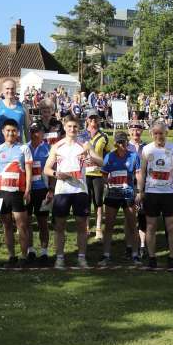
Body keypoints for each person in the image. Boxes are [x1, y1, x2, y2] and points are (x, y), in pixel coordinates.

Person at [44, 115, 103, 269]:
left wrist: (90, 155)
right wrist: (57, 174)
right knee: (60, 226)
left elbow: (101, 162)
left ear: (79, 128)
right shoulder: (57, 146)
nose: (72, 129)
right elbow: (47, 169)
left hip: (80, 190)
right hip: (62, 190)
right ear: (64, 127)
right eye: (69, 126)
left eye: (75, 127)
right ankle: (60, 258)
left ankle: (82, 258)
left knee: (82, 225)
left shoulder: (84, 144)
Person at [138, 120, 173, 270]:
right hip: (151, 193)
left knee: (171, 227)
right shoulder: (146, 149)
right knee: (151, 226)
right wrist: (141, 191)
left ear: (167, 133)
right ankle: (152, 258)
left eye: (161, 133)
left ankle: (172, 258)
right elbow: (143, 172)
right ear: (151, 134)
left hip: (170, 193)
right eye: (156, 133)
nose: (159, 136)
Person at [0, 118, 33, 267]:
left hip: (18, 193)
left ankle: (24, 256)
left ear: (18, 132)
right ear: (3, 132)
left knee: (22, 225)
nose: (11, 133)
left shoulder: (24, 149)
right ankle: (11, 256)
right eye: (8, 130)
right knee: (7, 225)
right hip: (1, 192)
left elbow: (28, 170)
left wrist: (27, 190)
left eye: (13, 130)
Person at [99, 132, 142, 266]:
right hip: (113, 194)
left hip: (128, 193)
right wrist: (108, 182)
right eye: (119, 142)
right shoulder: (109, 157)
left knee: (132, 225)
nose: (122, 144)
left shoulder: (134, 156)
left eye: (123, 142)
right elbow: (104, 175)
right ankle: (106, 255)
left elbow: (138, 175)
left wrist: (139, 191)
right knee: (109, 226)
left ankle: (135, 255)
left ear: (127, 142)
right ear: (115, 143)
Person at [79, 109, 109, 240]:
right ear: (87, 120)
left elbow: (107, 156)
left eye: (95, 118)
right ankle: (86, 227)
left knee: (98, 202)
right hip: (84, 173)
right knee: (85, 201)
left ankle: (98, 228)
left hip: (98, 174)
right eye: (91, 118)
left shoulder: (104, 136)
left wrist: (106, 172)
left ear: (99, 119)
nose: (93, 121)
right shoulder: (80, 135)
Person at [26, 123, 53, 264]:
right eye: (32, 131)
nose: (35, 134)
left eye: (38, 131)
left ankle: (44, 252)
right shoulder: (25, 148)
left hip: (43, 190)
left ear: (43, 133)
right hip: (28, 190)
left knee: (43, 222)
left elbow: (53, 170)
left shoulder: (48, 149)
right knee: (27, 221)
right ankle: (30, 250)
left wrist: (51, 189)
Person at [0, 78, 28, 149]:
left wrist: (29, 149)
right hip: (0, 148)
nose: (10, 91)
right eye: (7, 88)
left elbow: (27, 130)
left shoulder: (23, 107)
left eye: (12, 88)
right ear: (3, 90)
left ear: (15, 90)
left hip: (18, 149)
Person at [128, 121, 148, 257]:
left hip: (144, 185)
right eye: (133, 129)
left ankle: (142, 245)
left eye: (138, 129)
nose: (135, 132)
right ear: (129, 130)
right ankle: (129, 245)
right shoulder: (124, 146)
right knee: (129, 217)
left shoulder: (147, 147)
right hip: (128, 185)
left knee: (142, 216)